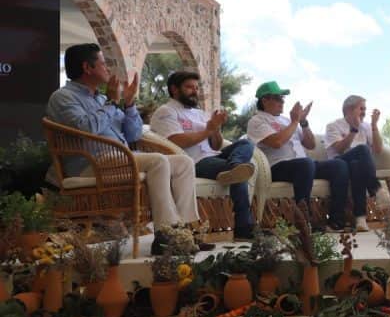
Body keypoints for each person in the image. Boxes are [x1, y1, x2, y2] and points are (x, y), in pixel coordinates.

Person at [45, 43, 199, 253]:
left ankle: (187, 232)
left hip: (120, 160)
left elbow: (133, 134)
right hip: (91, 164)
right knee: (158, 161)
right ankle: (166, 236)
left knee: (183, 163)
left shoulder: (102, 98)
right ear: (87, 68)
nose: (108, 68)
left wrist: (128, 104)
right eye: (103, 63)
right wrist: (111, 102)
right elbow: (86, 128)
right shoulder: (64, 97)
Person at [150, 71, 257, 239]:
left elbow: (215, 145)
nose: (194, 91)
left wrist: (215, 128)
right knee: (241, 172)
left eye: (196, 88)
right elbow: (176, 141)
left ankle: (235, 166)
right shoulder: (166, 111)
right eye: (189, 87)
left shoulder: (200, 113)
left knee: (246, 144)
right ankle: (244, 226)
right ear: (175, 89)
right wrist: (208, 129)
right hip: (193, 162)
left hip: (213, 155)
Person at [246, 81, 350, 230]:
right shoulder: (257, 121)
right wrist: (295, 121)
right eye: (278, 98)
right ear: (264, 100)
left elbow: (310, 144)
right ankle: (303, 220)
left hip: (302, 166)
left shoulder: (286, 121)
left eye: (283, 99)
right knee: (305, 164)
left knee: (339, 165)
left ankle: (336, 220)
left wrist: (303, 122)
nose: (282, 102)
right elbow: (277, 142)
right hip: (276, 167)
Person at [324, 95, 388, 231]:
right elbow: (339, 149)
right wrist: (353, 130)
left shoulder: (366, 126)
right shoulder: (333, 126)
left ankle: (360, 219)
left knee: (356, 165)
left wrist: (374, 126)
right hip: (338, 164)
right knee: (362, 149)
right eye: (361, 108)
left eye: (365, 109)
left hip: (354, 167)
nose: (364, 112)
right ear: (348, 109)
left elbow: (378, 149)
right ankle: (375, 188)